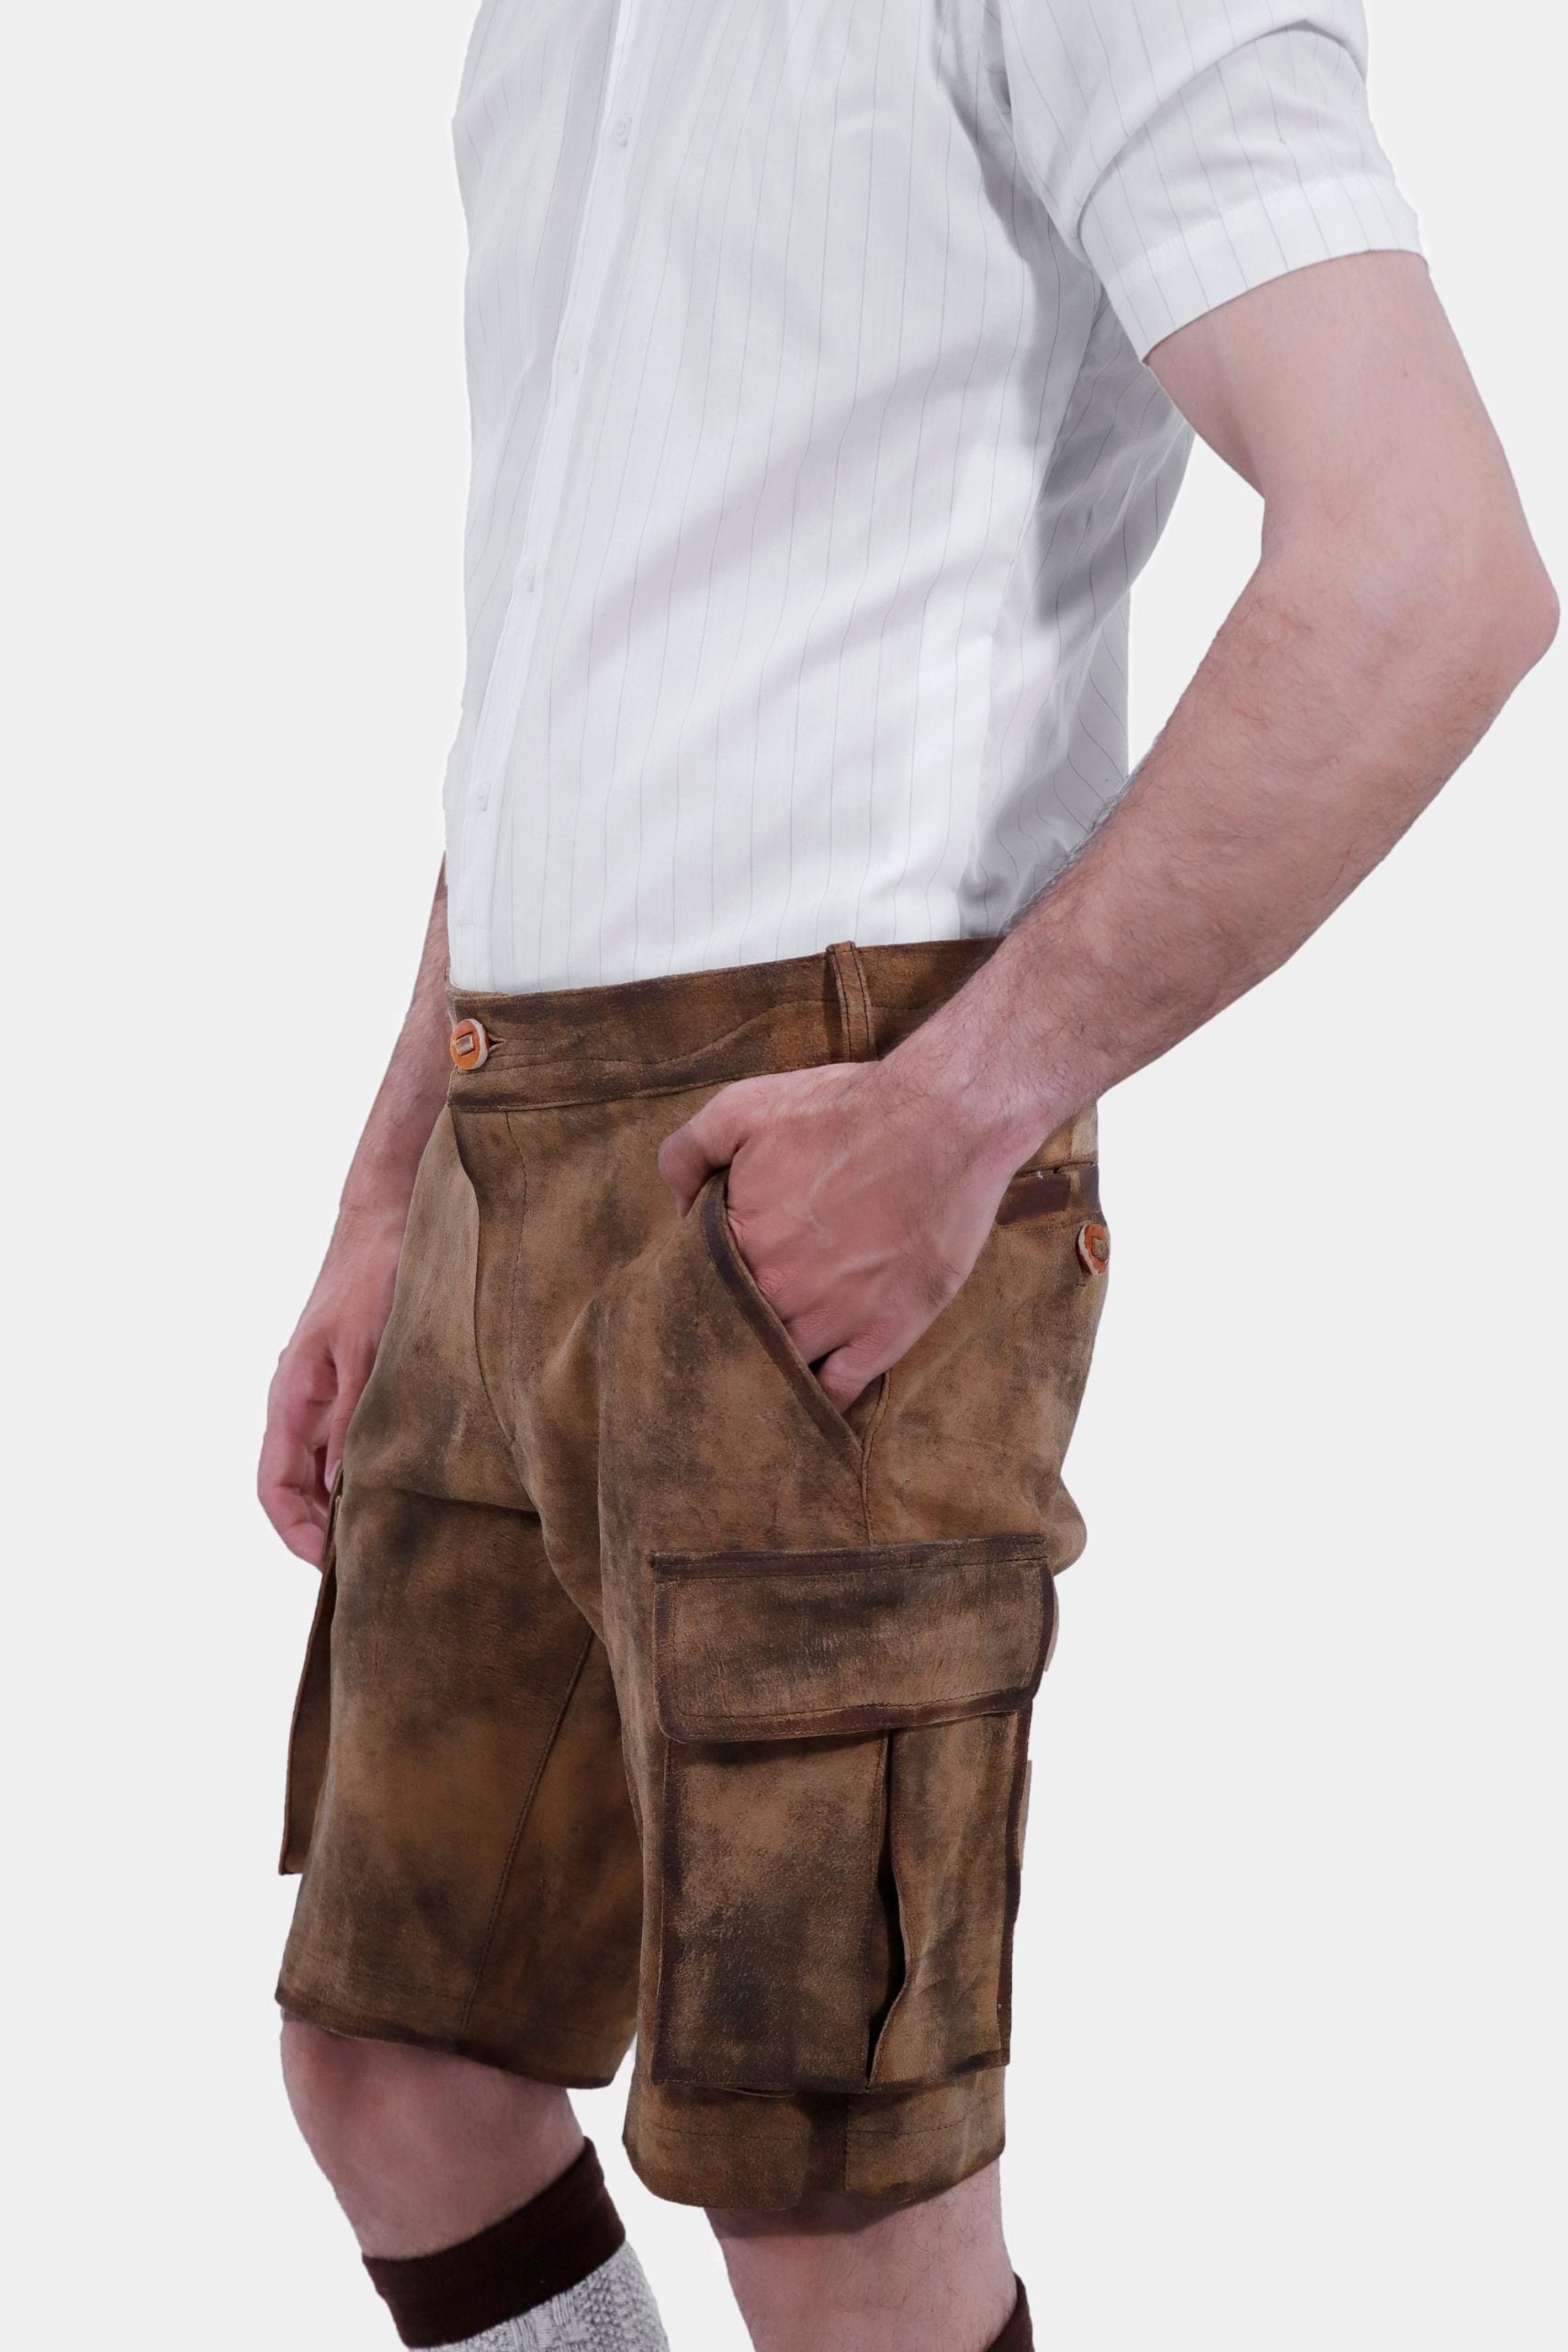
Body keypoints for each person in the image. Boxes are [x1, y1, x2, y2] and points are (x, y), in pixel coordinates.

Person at [258, 0, 1555, 2344]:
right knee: (395, 2058)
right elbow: (560, 651)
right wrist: (386, 1188)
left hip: (823, 1157)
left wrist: (959, 1106)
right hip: (498, 1142)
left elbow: (1431, 562)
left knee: (834, 2210)